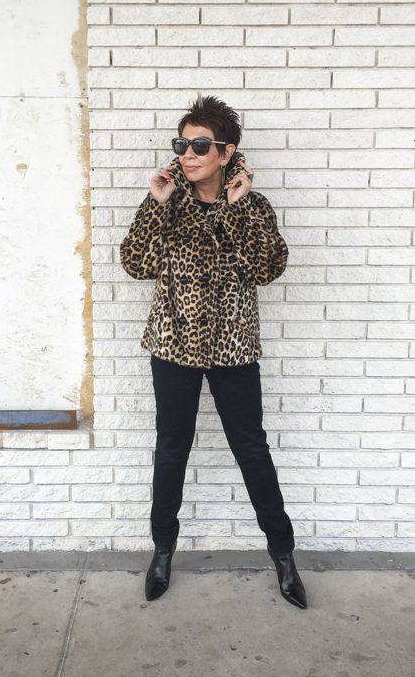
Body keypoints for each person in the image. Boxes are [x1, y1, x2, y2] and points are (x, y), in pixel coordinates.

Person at [119, 95, 307, 609]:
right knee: (171, 448)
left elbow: (267, 268)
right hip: (173, 343)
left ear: (226, 152)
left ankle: (284, 555)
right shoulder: (169, 203)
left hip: (234, 348)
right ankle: (162, 551)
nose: (188, 153)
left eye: (200, 145)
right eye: (182, 143)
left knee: (251, 448)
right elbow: (136, 263)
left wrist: (239, 206)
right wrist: (154, 203)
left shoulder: (252, 204)